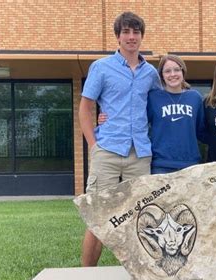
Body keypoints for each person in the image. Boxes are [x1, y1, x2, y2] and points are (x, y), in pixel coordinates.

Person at [79, 12, 161, 266]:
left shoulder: (151, 73)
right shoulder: (101, 67)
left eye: (136, 32)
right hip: (108, 151)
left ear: (141, 36)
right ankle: (86, 276)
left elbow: (160, 104)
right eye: (126, 32)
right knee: (99, 215)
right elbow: (85, 108)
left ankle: (138, 272)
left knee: (140, 216)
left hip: (140, 155)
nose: (131, 37)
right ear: (118, 36)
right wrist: (94, 145)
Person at [99, 55, 206, 174]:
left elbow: (202, 130)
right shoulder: (154, 97)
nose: (172, 74)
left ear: (183, 71)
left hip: (190, 164)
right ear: (161, 75)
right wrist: (107, 118)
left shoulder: (194, 98)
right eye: (167, 71)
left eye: (176, 69)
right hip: (161, 165)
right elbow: (135, 118)